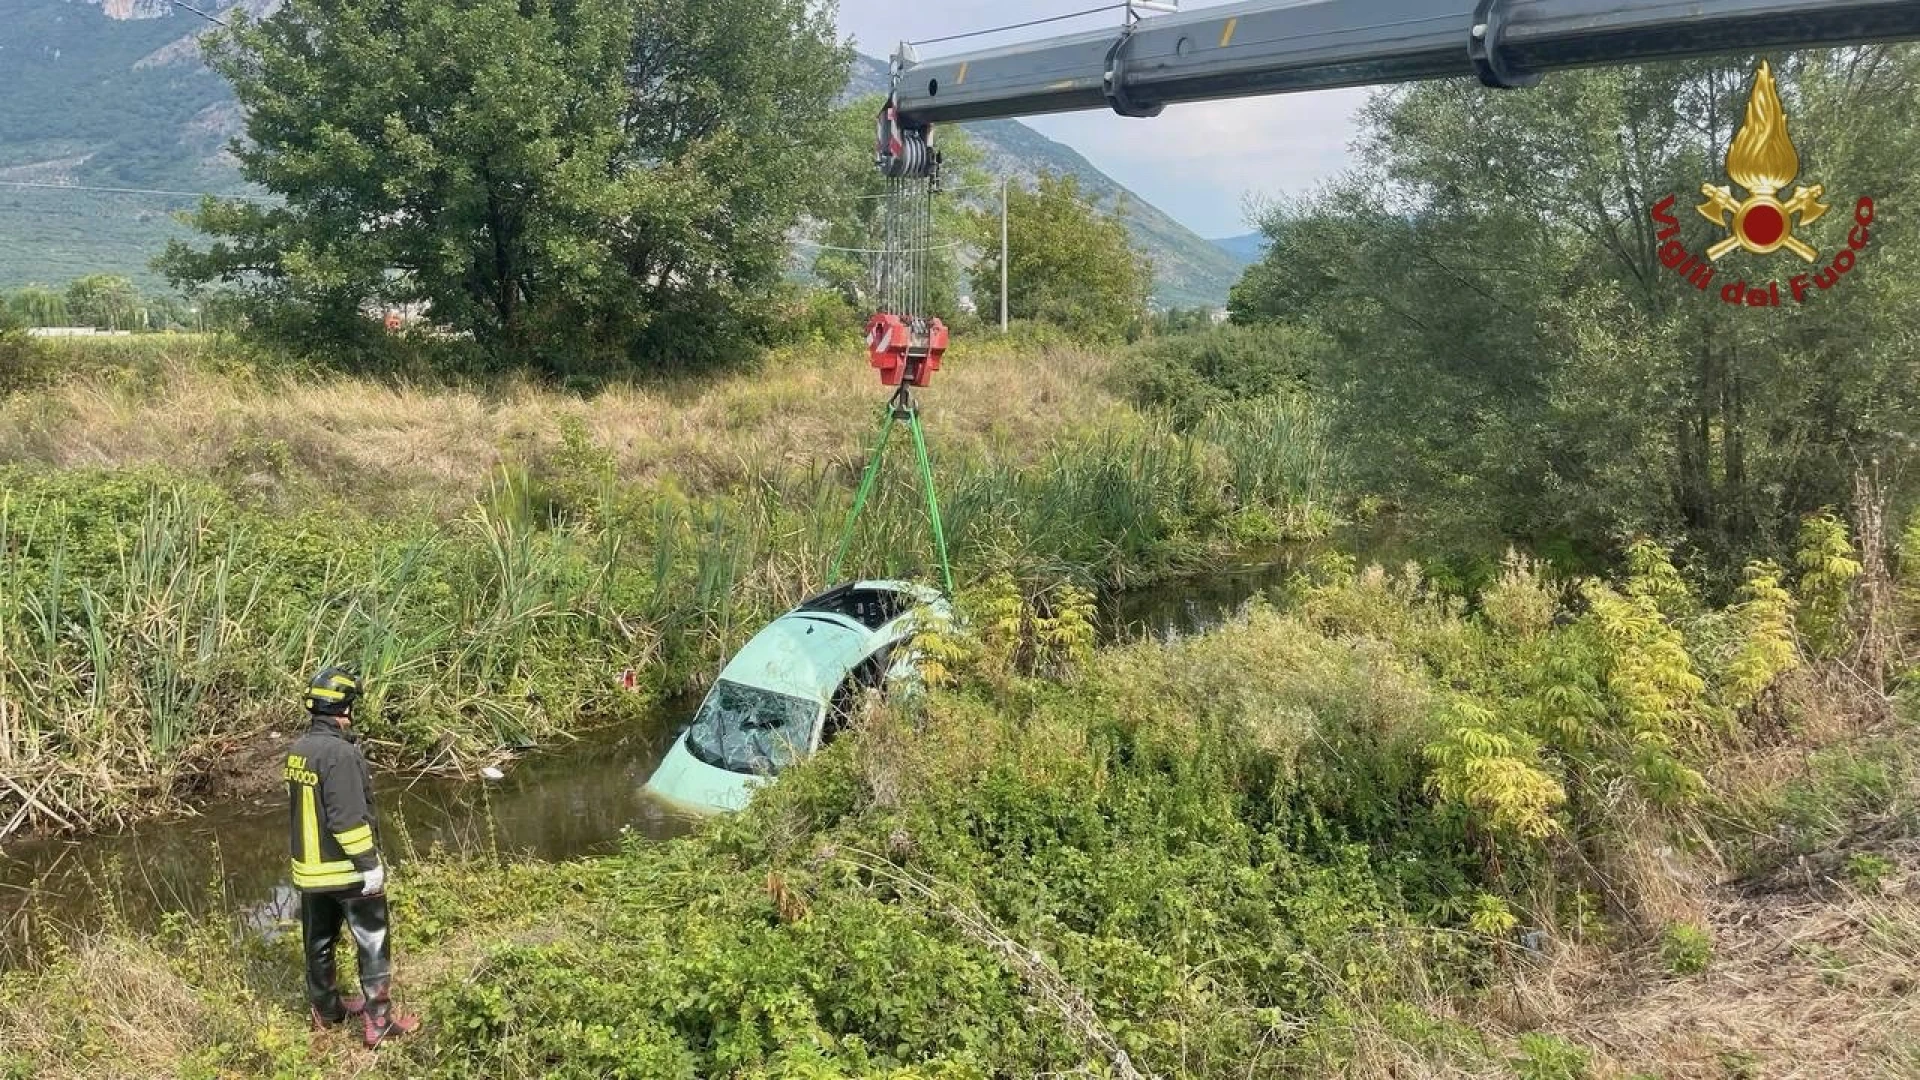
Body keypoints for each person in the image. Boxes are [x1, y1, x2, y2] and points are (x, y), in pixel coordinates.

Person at [285, 665, 422, 1047]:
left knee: (318, 942)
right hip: (347, 872)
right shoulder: (341, 755)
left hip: (310, 872)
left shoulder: (299, 750)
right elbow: (346, 818)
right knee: (372, 941)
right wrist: (370, 865)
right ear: (345, 709)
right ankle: (378, 1024)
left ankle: (325, 1011)